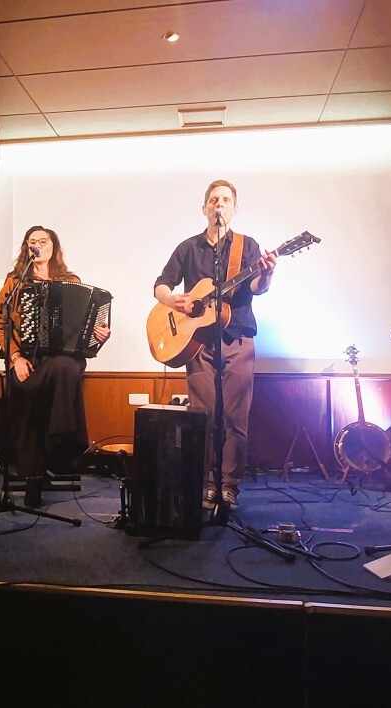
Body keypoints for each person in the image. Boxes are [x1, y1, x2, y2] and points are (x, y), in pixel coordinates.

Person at [153, 180, 277, 509]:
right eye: (213, 200)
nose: (219, 204)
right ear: (204, 208)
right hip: (197, 343)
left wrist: (266, 274)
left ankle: (229, 486)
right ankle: (208, 483)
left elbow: (257, 286)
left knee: (235, 417)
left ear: (234, 208)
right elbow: (161, 284)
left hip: (237, 336)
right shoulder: (188, 247)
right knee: (203, 416)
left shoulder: (247, 246)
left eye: (225, 200)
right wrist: (172, 301)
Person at [0, 226, 110, 507]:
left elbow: (87, 328)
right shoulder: (15, 282)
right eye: (32, 242)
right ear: (26, 248)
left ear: (53, 247)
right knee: (28, 391)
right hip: (27, 358)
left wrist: (99, 334)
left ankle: (54, 443)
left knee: (64, 367)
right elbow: (0, 324)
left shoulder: (71, 281)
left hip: (63, 357)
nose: (37, 246)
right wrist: (16, 358)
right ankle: (39, 467)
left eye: (43, 241)